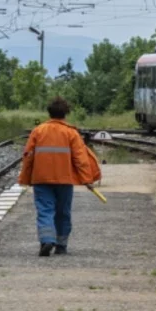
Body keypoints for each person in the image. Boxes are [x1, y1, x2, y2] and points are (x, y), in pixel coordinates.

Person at [20, 97, 102, 257]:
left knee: (44, 210)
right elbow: (80, 158)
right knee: (63, 211)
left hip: (41, 179)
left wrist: (26, 177)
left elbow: (28, 155)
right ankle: (61, 245)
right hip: (64, 180)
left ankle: (46, 240)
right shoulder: (71, 133)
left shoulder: (38, 131)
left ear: (49, 112)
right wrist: (87, 179)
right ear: (66, 113)